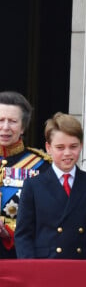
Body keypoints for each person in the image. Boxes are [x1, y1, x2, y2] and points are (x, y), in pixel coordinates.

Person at [15, 112, 86, 259]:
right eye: (60, 147)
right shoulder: (33, 186)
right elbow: (24, 235)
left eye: (73, 146)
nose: (67, 153)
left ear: (81, 145)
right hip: (46, 266)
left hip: (84, 264)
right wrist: (30, 269)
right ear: (48, 148)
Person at [0, 91, 52, 258]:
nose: (5, 127)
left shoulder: (41, 165)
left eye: (13, 121)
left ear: (23, 127)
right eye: (1, 120)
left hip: (18, 255)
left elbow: (47, 217)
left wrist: (10, 232)